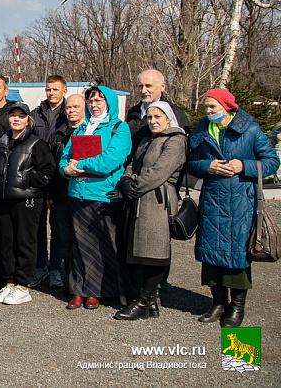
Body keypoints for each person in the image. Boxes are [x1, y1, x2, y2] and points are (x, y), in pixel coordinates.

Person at [188, 88, 279, 327]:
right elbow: (192, 164)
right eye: (205, 108)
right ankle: (218, 303)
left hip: (241, 202)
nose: (208, 112)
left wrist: (244, 165)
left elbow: (271, 162)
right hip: (212, 201)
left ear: (228, 107)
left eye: (212, 107)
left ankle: (237, 307)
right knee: (211, 254)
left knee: (238, 255)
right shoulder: (202, 130)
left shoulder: (250, 130)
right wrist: (209, 166)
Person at [59, 86, 131, 310]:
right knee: (77, 245)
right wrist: (66, 170)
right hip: (77, 192)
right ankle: (77, 289)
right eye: (91, 101)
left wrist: (80, 165)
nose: (94, 105)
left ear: (109, 103)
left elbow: (110, 160)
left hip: (102, 195)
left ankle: (96, 291)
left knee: (101, 246)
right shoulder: (81, 128)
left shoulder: (119, 128)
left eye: (99, 100)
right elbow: (66, 156)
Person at [114, 101, 187, 320]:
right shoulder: (147, 139)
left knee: (154, 252)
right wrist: (126, 180)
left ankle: (143, 302)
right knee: (142, 252)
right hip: (139, 201)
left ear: (168, 118)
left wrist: (133, 186)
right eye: (150, 117)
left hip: (157, 202)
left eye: (158, 117)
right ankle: (151, 302)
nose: (153, 121)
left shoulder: (176, 140)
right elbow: (132, 164)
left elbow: (159, 172)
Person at [0, 103, 55, 306]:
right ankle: (10, 282)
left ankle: (23, 285)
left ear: (28, 119)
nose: (16, 119)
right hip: (5, 198)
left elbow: (48, 172)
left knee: (25, 241)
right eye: (13, 116)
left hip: (27, 199)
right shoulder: (2, 142)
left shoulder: (36, 144)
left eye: (21, 116)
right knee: (7, 242)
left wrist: (25, 180)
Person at [29, 75, 68, 289]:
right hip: (39, 180)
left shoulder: (67, 114)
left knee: (59, 228)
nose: (51, 93)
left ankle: (55, 269)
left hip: (61, 180)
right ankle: (41, 266)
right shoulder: (36, 115)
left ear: (64, 90)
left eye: (55, 89)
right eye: (48, 89)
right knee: (38, 228)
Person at [45, 94, 85, 291]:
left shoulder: (89, 133)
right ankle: (58, 272)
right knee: (60, 235)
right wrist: (49, 193)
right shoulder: (58, 135)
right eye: (68, 107)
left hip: (83, 193)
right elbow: (51, 167)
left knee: (81, 238)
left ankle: (81, 280)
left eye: (76, 107)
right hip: (60, 194)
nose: (72, 111)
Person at [125, 69, 191, 156]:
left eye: (148, 86)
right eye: (141, 86)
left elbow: (182, 146)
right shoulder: (133, 112)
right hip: (132, 165)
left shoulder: (174, 112)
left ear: (162, 87)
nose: (143, 90)